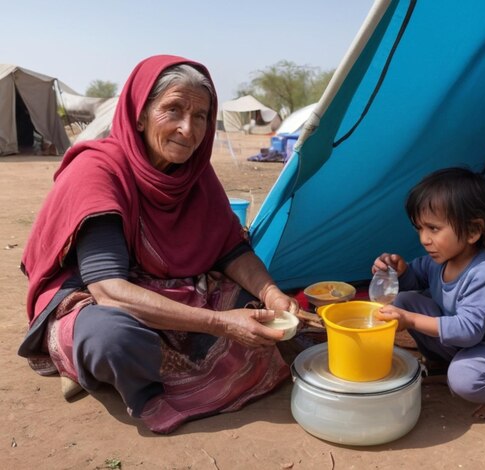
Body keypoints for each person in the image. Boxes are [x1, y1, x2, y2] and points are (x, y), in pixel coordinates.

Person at [17, 55, 300, 434]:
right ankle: (133, 385)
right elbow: (109, 290)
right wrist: (222, 324)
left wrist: (272, 295)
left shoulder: (196, 177)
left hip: (173, 288)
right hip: (101, 297)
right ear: (140, 114)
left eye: (200, 116)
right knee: (111, 338)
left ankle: (113, 368)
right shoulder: (99, 171)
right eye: (173, 110)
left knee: (256, 311)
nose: (188, 128)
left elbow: (230, 250)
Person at [372, 167, 485, 421]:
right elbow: (414, 278)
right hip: (472, 346)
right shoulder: (440, 259)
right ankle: (445, 364)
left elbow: (468, 330)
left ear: (472, 231)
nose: (424, 239)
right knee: (405, 301)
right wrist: (398, 271)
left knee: (464, 379)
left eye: (433, 229)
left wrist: (411, 320)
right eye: (419, 228)